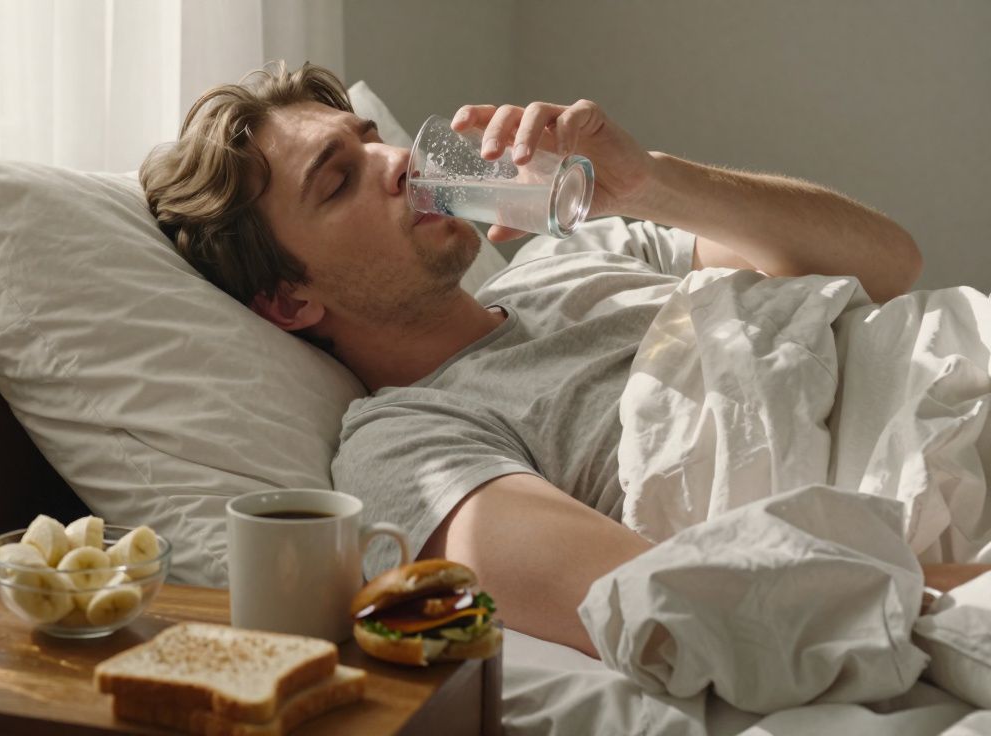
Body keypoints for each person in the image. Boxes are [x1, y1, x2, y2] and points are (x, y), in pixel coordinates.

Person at [140, 62, 979, 657]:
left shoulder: (585, 250)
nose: (399, 162)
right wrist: (968, 583)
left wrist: (648, 183)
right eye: (339, 181)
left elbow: (887, 263)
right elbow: (674, 594)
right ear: (290, 302)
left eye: (371, 142)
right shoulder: (412, 442)